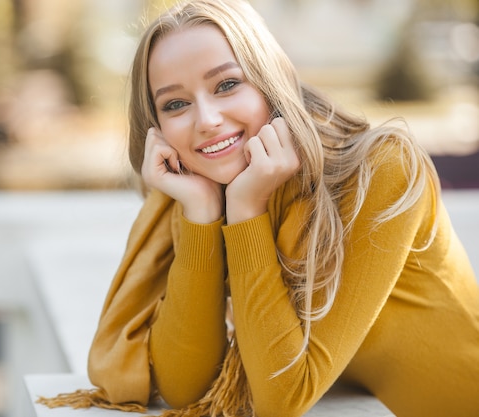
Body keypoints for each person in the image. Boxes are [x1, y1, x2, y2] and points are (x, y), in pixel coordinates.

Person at [38, 0, 479, 416]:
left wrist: (248, 209)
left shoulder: (381, 169)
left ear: (272, 81)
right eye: (176, 104)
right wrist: (201, 213)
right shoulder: (204, 187)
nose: (206, 119)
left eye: (227, 84)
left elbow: (282, 398)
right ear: (157, 127)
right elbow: (183, 387)